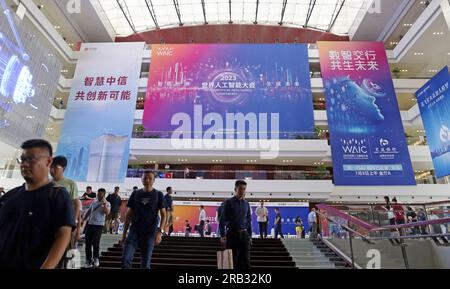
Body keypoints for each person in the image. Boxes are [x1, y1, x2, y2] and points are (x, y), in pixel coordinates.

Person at [0, 139, 75, 269]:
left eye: (31, 159)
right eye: (22, 160)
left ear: (48, 161)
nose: (24, 164)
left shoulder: (57, 196)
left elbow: (63, 235)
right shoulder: (9, 196)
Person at [120, 171, 167, 269]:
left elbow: (164, 214)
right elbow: (128, 215)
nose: (147, 180)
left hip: (150, 232)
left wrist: (160, 232)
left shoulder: (158, 194)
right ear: (141, 180)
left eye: (150, 178)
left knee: (145, 263)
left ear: (154, 180)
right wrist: (124, 235)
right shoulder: (136, 193)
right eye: (145, 178)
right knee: (125, 259)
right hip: (134, 231)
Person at [50, 155, 82, 260]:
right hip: (49, 225)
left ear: (63, 168)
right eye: (51, 166)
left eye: (55, 167)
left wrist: (74, 224)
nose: (52, 170)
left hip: (65, 225)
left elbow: (77, 204)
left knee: (65, 255)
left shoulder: (70, 183)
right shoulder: (47, 183)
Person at [219, 180, 252, 270]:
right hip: (232, 234)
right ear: (235, 189)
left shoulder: (246, 204)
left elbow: (249, 221)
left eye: (244, 189)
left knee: (245, 261)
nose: (243, 191)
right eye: (240, 189)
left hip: (244, 235)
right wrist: (222, 235)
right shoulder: (228, 202)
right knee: (232, 260)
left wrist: (250, 236)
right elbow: (222, 219)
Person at [82, 188, 110, 268]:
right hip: (90, 224)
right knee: (87, 243)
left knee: (95, 242)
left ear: (104, 194)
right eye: (98, 193)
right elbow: (89, 211)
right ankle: (88, 260)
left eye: (100, 193)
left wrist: (104, 204)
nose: (98, 195)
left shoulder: (107, 203)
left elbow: (107, 212)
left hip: (99, 225)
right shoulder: (94, 202)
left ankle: (96, 258)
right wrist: (83, 219)